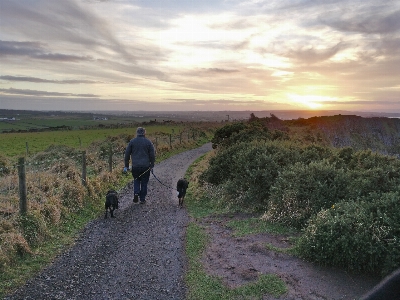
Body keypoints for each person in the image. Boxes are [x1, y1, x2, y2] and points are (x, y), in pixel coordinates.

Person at [124, 127, 155, 204]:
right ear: (144, 133)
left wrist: (126, 166)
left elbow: (127, 155)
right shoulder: (148, 142)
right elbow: (152, 155)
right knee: (144, 182)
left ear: (137, 133)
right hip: (146, 167)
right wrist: (152, 165)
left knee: (136, 179)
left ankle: (136, 193)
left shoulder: (132, 142)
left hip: (135, 166)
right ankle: (142, 199)